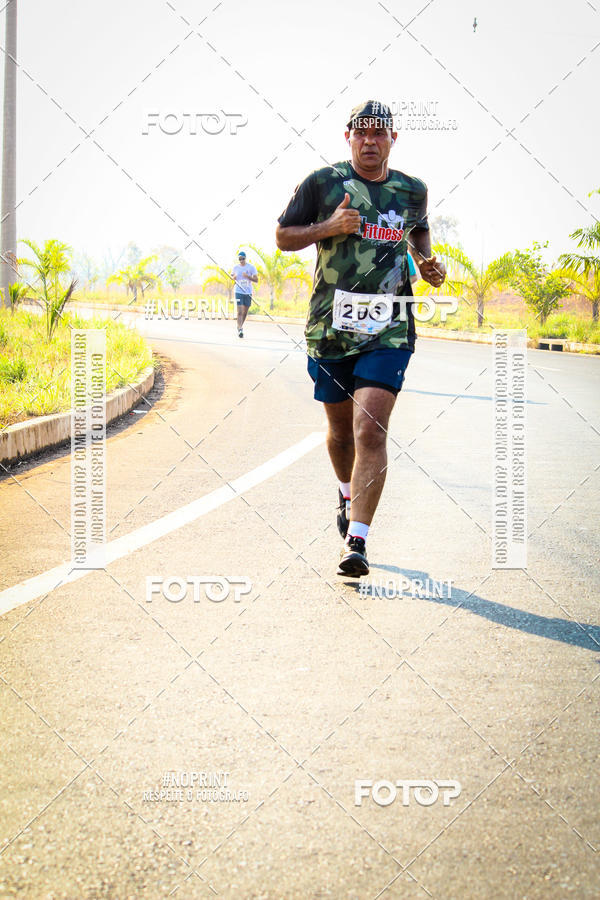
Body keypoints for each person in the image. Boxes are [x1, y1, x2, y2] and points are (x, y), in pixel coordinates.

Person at [275, 100, 446, 577]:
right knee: (339, 431)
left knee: (369, 427)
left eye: (380, 133)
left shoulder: (413, 190)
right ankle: (345, 491)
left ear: (394, 139)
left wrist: (428, 264)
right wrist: (329, 227)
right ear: (348, 137)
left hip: (390, 325)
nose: (370, 141)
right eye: (361, 133)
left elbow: (419, 234)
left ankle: (358, 540)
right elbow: (283, 235)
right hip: (330, 326)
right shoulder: (322, 183)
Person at [230, 251, 258, 338]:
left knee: (245, 312)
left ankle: (239, 326)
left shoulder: (251, 267)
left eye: (243, 258)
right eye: (240, 259)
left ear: (245, 258)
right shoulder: (235, 268)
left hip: (248, 292)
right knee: (240, 311)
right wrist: (234, 277)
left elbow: (256, 280)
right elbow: (232, 277)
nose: (241, 260)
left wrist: (247, 276)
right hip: (238, 291)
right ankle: (240, 329)